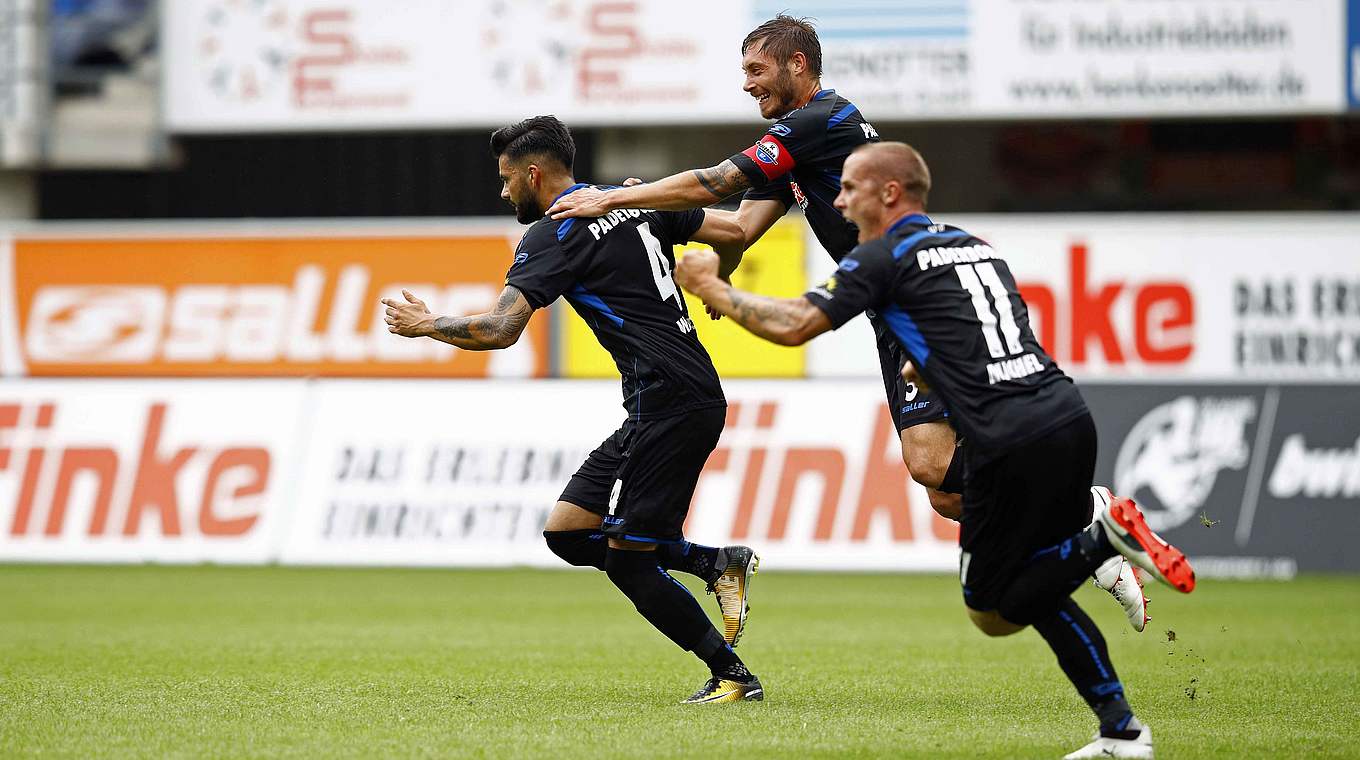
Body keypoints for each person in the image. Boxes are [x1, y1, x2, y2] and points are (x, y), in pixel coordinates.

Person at [549, 14, 1149, 633]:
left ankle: (1086, 514)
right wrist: (716, 279)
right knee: (945, 492)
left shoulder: (817, 121)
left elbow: (718, 183)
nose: (749, 85)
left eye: (757, 70)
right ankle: (1085, 531)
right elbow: (738, 227)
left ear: (797, 65)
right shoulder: (798, 147)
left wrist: (615, 198)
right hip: (895, 306)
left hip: (921, 297)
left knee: (927, 464)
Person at [674, 142, 1197, 757]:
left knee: (992, 607)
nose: (837, 201)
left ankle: (1103, 536)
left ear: (890, 193)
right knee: (1038, 586)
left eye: (849, 189)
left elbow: (794, 325)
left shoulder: (881, 257)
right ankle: (1122, 731)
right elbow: (994, 329)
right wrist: (931, 369)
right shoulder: (973, 246)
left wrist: (715, 287)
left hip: (1008, 439)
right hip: (1066, 417)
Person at [383, 116, 762, 704]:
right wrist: (725, 281)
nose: (503, 190)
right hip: (669, 399)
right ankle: (713, 562)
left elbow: (500, 328)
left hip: (669, 401)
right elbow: (734, 231)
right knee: (567, 532)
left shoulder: (556, 232)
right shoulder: (636, 198)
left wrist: (425, 324)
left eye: (507, 178)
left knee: (629, 561)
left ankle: (734, 676)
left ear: (535, 175)